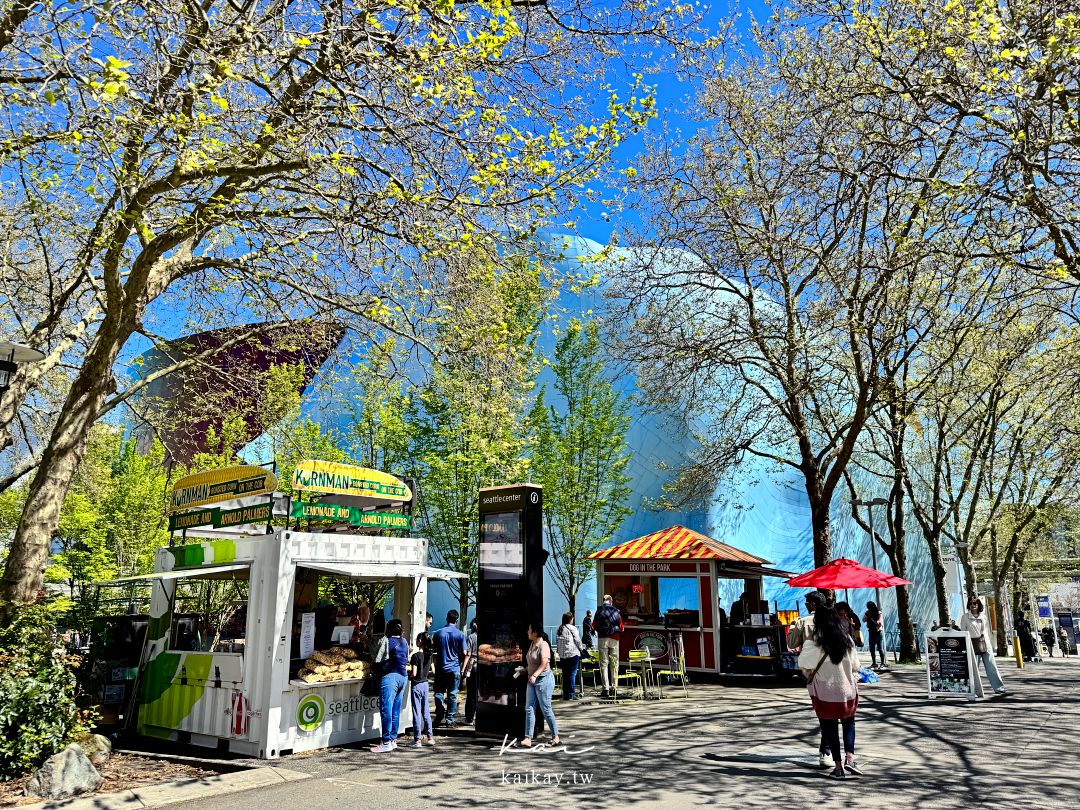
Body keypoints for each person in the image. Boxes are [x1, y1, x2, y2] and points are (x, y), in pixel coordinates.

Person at [798, 605, 861, 779]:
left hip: (824, 694)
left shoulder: (813, 643)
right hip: (847, 692)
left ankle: (838, 767)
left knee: (829, 727)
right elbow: (856, 666)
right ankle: (850, 758)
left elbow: (803, 664)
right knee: (849, 723)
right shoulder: (847, 640)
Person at [370, 618, 409, 753]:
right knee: (395, 711)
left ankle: (385, 742)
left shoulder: (386, 640)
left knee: (386, 709)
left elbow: (376, 658)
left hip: (390, 677)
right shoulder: (404, 641)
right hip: (403, 676)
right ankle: (393, 740)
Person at [519, 619, 559, 748]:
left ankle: (556, 737)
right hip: (532, 679)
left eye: (529, 629)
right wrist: (525, 670)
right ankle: (527, 738)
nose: (527, 631)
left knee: (545, 709)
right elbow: (532, 663)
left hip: (543, 680)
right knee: (529, 708)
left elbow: (544, 662)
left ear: (535, 632)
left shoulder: (544, 645)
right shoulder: (532, 644)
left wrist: (535, 675)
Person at [960, 597, 1006, 697]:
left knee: (992, 667)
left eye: (975, 603)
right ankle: (974, 690)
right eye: (971, 603)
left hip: (986, 644)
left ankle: (999, 688)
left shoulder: (983, 616)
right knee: (973, 669)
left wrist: (990, 644)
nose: (973, 605)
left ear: (979, 605)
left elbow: (986, 631)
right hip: (973, 646)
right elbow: (963, 632)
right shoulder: (965, 617)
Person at [432, 609, 470, 728]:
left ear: (446, 619)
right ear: (457, 620)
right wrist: (462, 668)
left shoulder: (438, 633)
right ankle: (450, 719)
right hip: (454, 669)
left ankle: (439, 715)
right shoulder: (460, 634)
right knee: (452, 694)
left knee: (439, 693)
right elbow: (464, 652)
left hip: (440, 669)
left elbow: (434, 649)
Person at [408, 632, 435, 748]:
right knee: (426, 712)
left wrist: (408, 674)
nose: (416, 641)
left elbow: (413, 673)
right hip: (425, 684)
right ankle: (430, 737)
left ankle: (417, 739)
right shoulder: (430, 655)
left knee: (416, 712)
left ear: (420, 641)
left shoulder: (415, 656)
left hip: (416, 685)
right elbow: (433, 671)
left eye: (417, 639)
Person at [594, 595, 623, 699]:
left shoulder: (599, 611)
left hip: (602, 639)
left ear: (603, 601)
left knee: (603, 664)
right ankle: (614, 687)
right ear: (611, 601)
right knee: (614, 663)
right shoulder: (616, 611)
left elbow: (594, 625)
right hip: (615, 639)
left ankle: (605, 689)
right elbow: (621, 627)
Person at [556, 612, 585, 700]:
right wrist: (582, 650)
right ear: (570, 619)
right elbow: (577, 641)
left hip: (562, 655)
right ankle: (571, 694)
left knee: (565, 674)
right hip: (572, 654)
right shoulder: (573, 628)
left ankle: (565, 695)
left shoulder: (559, 629)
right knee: (572, 674)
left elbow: (557, 642)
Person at [463, 619, 479, 724]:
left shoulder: (471, 637)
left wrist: (463, 668)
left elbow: (468, 654)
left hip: (473, 667)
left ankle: (469, 718)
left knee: (471, 694)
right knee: (479, 694)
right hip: (484, 666)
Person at [862, 601, 887, 670]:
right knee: (872, 648)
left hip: (878, 632)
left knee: (880, 648)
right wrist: (866, 616)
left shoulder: (878, 613)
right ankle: (874, 663)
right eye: (869, 607)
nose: (870, 608)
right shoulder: (867, 613)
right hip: (871, 632)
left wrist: (874, 620)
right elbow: (863, 620)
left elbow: (880, 623)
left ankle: (883, 663)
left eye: (871, 607)